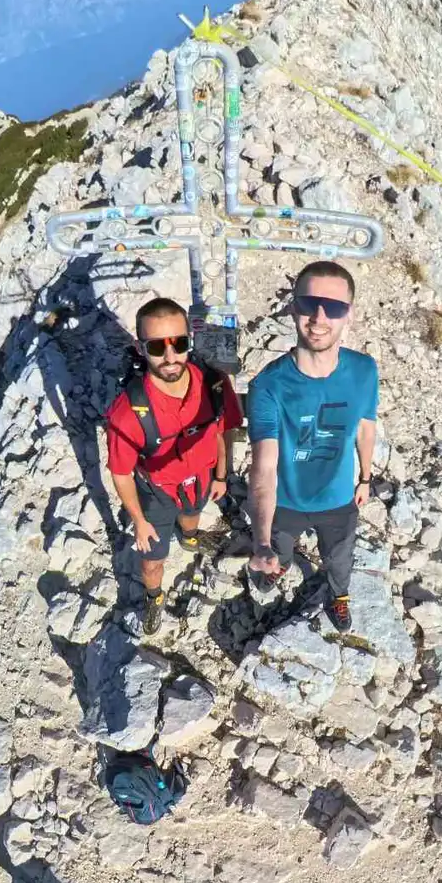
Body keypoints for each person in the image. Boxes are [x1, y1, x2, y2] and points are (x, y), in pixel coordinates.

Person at [244, 265, 379, 635]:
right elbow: (264, 468)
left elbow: (365, 426)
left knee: (340, 559)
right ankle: (275, 564)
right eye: (309, 304)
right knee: (279, 550)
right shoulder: (268, 385)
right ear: (293, 308)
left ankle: (338, 595)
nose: (320, 318)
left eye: (333, 307)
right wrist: (260, 542)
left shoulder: (364, 371)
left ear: (349, 314)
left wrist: (366, 478)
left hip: (339, 499)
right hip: (286, 501)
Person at [102, 295, 243, 634]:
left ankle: (189, 537)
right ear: (141, 348)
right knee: (152, 562)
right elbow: (121, 472)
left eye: (178, 344)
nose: (170, 357)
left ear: (189, 341)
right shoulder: (127, 412)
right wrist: (139, 521)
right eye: (156, 347)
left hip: (202, 477)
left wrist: (221, 475)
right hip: (157, 492)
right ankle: (154, 596)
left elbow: (224, 429)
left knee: (193, 512)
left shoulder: (214, 384)